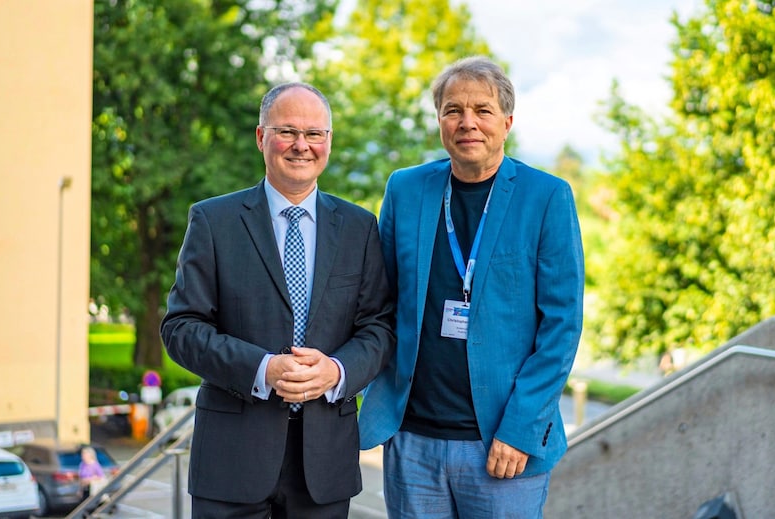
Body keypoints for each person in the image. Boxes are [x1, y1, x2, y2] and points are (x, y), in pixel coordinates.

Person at [358, 56, 585, 518]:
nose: (468, 123)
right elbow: (378, 303)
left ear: (507, 121)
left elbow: (562, 326)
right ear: (439, 120)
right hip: (413, 441)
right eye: (452, 110)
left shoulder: (546, 197)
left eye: (482, 110)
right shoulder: (405, 189)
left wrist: (520, 429)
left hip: (503, 444)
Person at [161, 82, 395, 518]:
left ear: (329, 141)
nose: (301, 145)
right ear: (261, 137)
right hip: (231, 460)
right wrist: (262, 369)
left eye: (315, 134)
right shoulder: (214, 221)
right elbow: (181, 328)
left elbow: (379, 327)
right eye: (287, 131)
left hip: (324, 461)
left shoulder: (360, 228)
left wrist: (338, 371)